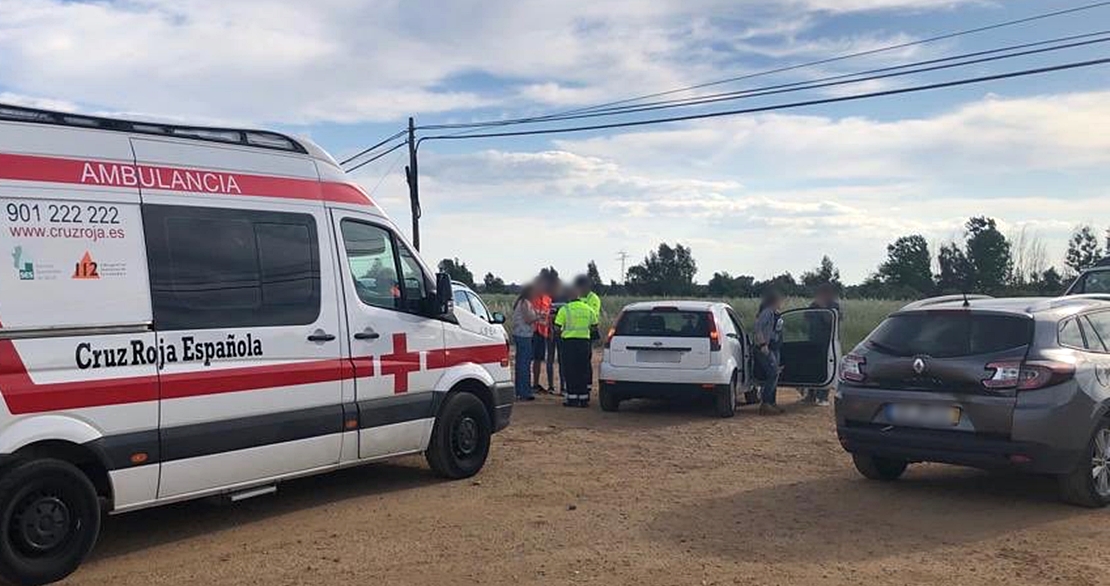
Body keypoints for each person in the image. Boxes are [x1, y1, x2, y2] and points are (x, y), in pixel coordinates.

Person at [554, 281, 599, 408]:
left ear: (569, 297)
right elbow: (594, 326)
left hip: (569, 343)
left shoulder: (565, 309)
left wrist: (563, 333)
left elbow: (557, 327)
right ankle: (584, 399)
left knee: (570, 371)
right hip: (584, 342)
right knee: (583, 370)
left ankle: (572, 399)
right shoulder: (588, 309)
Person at [801, 283, 842, 406]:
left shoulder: (834, 306)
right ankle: (811, 395)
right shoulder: (814, 305)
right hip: (813, 341)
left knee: (827, 369)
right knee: (813, 367)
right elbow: (806, 317)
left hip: (828, 342)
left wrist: (823, 307)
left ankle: (823, 396)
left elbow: (831, 321)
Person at [754, 288, 785, 415]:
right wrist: (762, 345)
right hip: (766, 347)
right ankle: (765, 403)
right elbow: (758, 328)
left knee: (775, 374)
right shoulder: (767, 312)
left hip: (774, 347)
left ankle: (771, 403)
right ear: (775, 300)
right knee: (772, 373)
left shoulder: (775, 313)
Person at [511, 285, 539, 401]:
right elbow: (528, 319)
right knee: (524, 364)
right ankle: (524, 392)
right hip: (524, 335)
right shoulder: (525, 303)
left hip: (520, 334)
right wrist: (538, 317)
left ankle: (520, 390)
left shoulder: (521, 302)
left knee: (520, 363)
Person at [530, 279, 553, 394]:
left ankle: (535, 384)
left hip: (542, 332)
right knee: (529, 359)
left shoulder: (548, 299)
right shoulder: (531, 298)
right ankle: (527, 384)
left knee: (538, 359)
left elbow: (548, 317)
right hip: (532, 332)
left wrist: (549, 331)